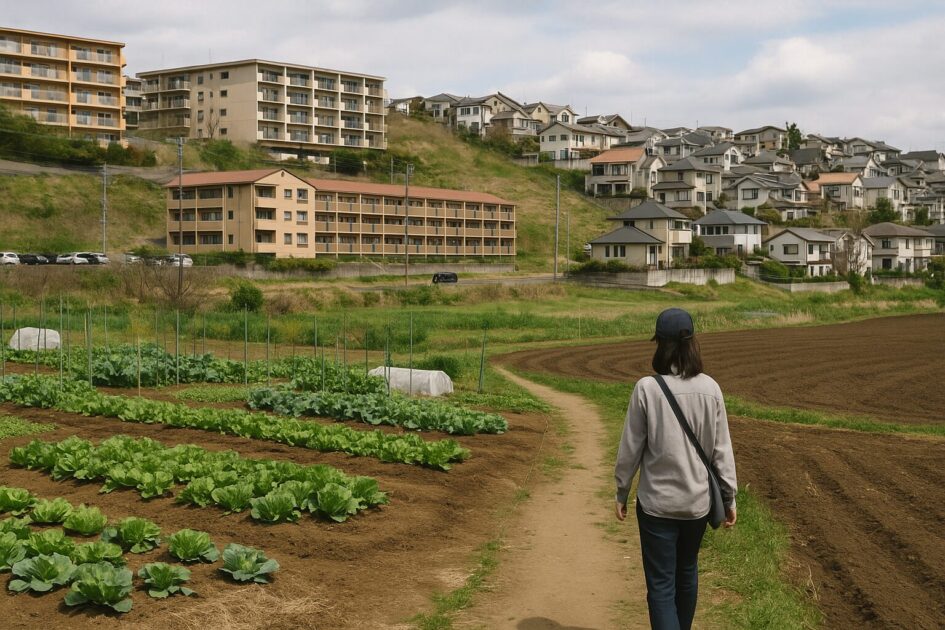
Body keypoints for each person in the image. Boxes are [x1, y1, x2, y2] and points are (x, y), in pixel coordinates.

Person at [614, 308, 737, 630]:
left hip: (657, 505)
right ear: (692, 343)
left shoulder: (647, 389)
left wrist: (621, 490)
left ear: (661, 345)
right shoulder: (711, 388)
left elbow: (631, 447)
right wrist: (729, 497)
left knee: (660, 585)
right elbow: (721, 449)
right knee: (687, 573)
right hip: (697, 504)